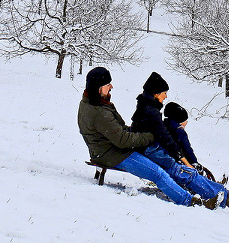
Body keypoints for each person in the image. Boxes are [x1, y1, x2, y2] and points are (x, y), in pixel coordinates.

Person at [77, 67, 206, 208]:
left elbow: (118, 130)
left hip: (110, 149)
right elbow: (122, 139)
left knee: (163, 164)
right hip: (111, 154)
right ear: (98, 88)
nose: (111, 87)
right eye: (108, 84)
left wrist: (135, 131)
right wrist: (150, 136)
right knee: (158, 173)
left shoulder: (97, 104)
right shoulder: (99, 111)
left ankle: (202, 188)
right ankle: (189, 201)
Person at [132, 72, 229, 211]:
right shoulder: (151, 112)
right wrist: (183, 159)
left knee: (187, 172)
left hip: (150, 150)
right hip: (152, 152)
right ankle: (224, 197)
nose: (165, 96)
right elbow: (165, 138)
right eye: (164, 93)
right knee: (185, 173)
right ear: (156, 93)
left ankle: (224, 195)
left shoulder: (145, 107)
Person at [163, 101, 226, 184]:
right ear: (180, 121)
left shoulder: (164, 127)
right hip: (178, 162)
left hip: (168, 160)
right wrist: (194, 163)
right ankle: (211, 186)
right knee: (197, 171)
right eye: (186, 121)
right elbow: (187, 149)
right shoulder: (179, 132)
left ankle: (212, 183)